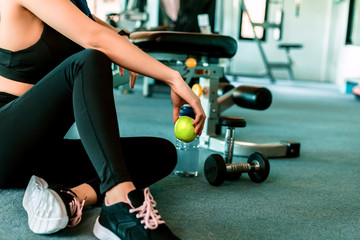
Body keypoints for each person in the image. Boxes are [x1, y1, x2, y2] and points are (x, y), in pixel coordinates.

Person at [0, 0, 206, 239]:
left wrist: (121, 37)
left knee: (161, 153)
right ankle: (119, 200)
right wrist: (173, 78)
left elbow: (101, 28)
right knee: (89, 60)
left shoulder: (75, 5)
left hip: (40, 153)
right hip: (5, 144)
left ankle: (71, 196)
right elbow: (94, 37)